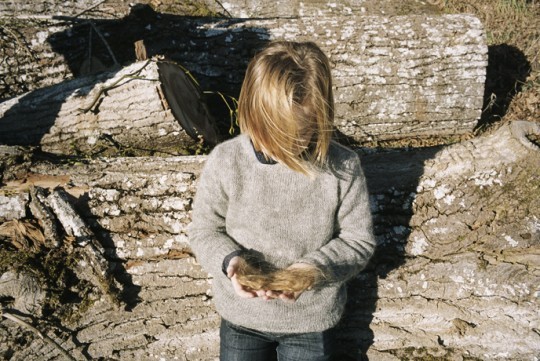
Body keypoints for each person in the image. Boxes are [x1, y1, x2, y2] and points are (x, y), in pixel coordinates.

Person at [188, 41, 376, 361]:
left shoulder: (342, 168)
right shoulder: (227, 160)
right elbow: (204, 229)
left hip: (310, 322)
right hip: (242, 319)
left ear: (320, 116)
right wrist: (232, 263)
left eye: (297, 136)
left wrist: (313, 269)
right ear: (251, 111)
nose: (282, 148)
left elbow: (358, 240)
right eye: (272, 134)